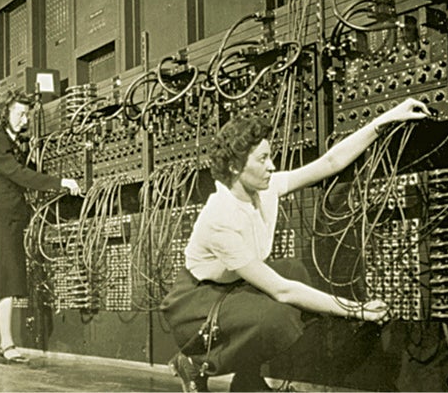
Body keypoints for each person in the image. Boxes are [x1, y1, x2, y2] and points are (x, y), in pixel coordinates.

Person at [161, 97, 431, 391]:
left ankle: (247, 380)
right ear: (236, 166)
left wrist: (385, 120)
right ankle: (193, 363)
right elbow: (282, 290)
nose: (272, 166)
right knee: (276, 318)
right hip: (196, 302)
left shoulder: (264, 189)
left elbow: (329, 163)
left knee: (292, 270)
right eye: (262, 159)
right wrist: (357, 310)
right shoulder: (220, 217)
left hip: (230, 288)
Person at [0, 90, 81, 364]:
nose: (24, 120)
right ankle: (8, 345)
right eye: (19, 114)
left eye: (27, 115)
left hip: (2, 215)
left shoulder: (8, 142)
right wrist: (60, 182)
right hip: (0, 215)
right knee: (7, 279)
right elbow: (18, 174)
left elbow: (24, 169)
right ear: (4, 114)